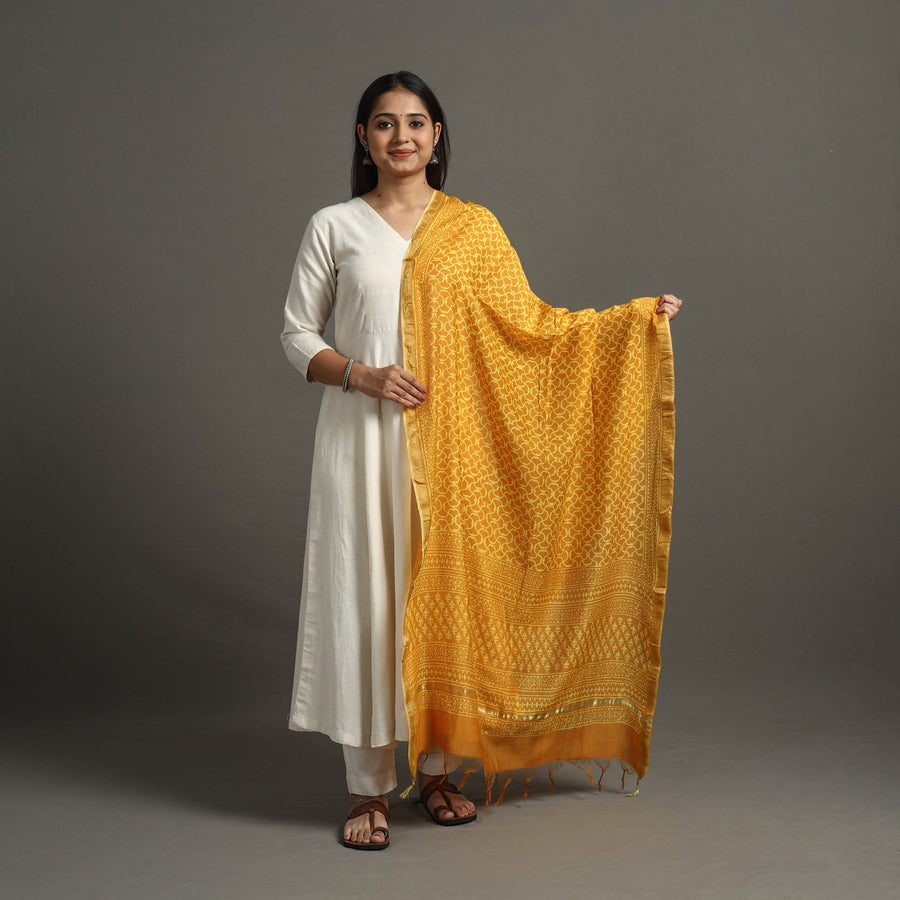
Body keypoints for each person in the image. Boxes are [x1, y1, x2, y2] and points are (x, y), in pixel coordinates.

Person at [281, 71, 682, 851]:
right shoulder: (334, 225)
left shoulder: (473, 229)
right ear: (363, 138)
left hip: (453, 451)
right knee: (367, 601)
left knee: (448, 596)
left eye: (416, 122)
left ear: (437, 136)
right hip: (361, 444)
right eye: (384, 123)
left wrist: (633, 324)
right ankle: (368, 790)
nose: (401, 137)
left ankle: (437, 773)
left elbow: (534, 327)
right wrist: (362, 375)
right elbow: (296, 334)